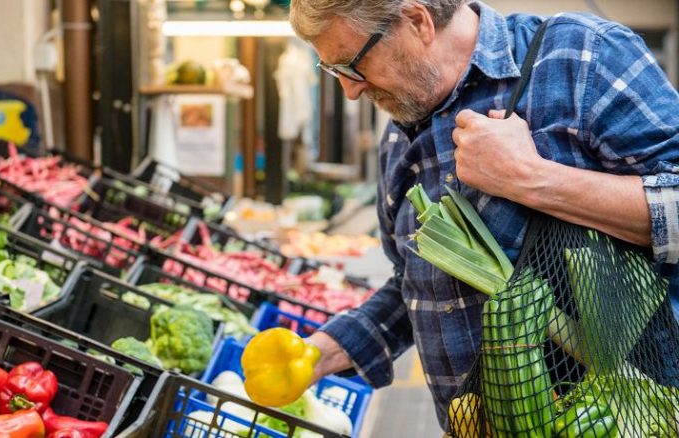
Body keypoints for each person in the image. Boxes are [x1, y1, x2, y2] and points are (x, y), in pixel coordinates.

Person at [288, 0, 679, 431]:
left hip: (623, 418)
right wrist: (327, 351)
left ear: (417, 21)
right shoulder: (399, 137)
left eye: (353, 65)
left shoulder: (580, 58)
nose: (350, 90)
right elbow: (417, 282)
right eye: (334, 71)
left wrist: (532, 179)